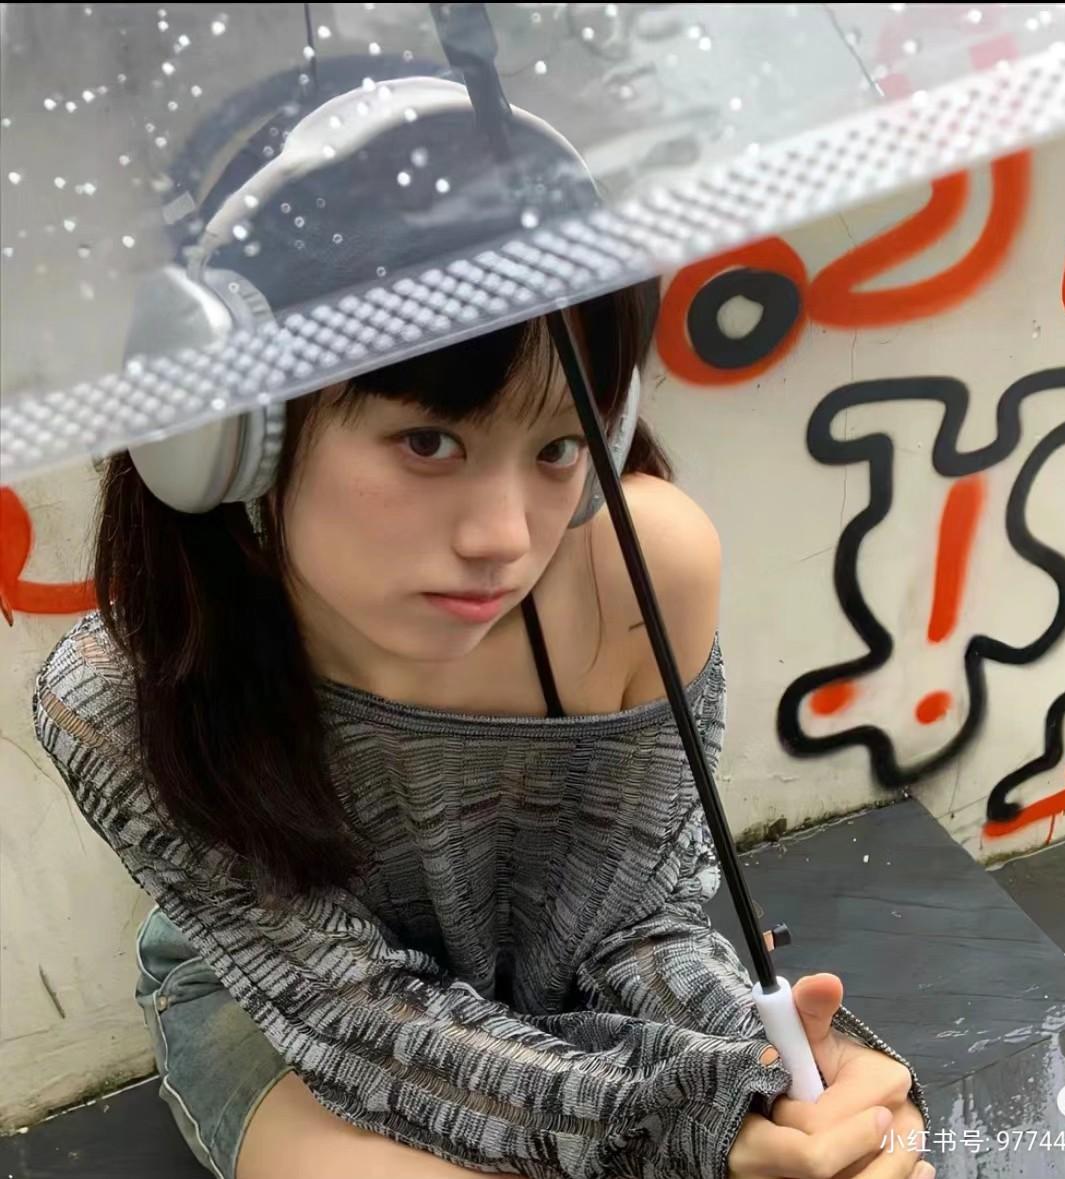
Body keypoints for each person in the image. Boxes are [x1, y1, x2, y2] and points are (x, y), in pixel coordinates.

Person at [32, 64, 931, 1179]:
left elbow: (634, 919)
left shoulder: (636, 573)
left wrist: (771, 1079)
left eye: (558, 447)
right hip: (300, 1020)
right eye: (429, 442)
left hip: (559, 980)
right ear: (229, 425)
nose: (505, 536)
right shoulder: (125, 695)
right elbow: (358, 1016)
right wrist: (682, 1131)